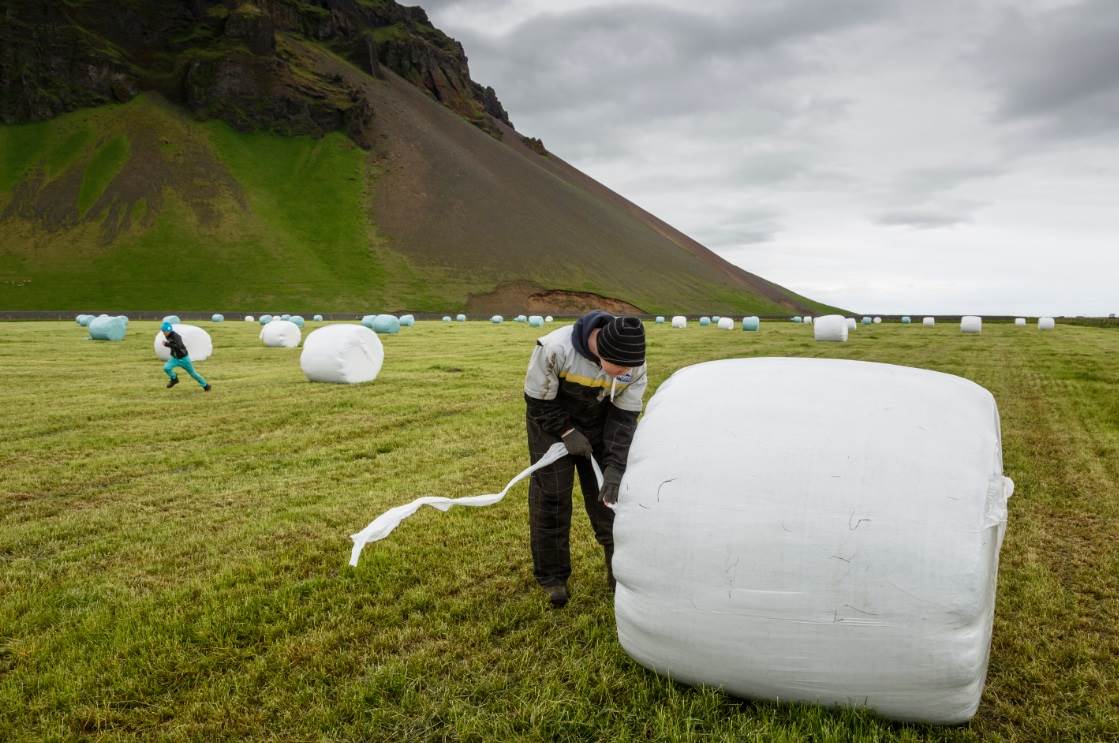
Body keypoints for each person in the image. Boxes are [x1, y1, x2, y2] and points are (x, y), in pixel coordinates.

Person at [523, 311, 647, 608]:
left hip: (601, 424)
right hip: (551, 423)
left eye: (627, 370)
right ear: (600, 350)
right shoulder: (554, 348)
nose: (622, 374)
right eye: (617, 368)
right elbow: (537, 401)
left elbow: (624, 418)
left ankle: (619, 573)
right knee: (552, 495)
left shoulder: (634, 366)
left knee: (609, 498)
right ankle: (553, 578)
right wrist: (566, 431)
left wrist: (616, 466)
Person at [160, 321, 211, 391]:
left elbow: (178, 346)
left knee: (193, 374)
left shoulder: (176, 336)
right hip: (175, 358)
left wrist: (167, 344)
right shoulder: (167, 336)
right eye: (162, 331)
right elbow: (173, 346)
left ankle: (206, 385)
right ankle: (174, 379)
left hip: (184, 359)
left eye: (164, 331)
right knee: (166, 368)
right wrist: (168, 345)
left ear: (169, 330)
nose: (163, 333)